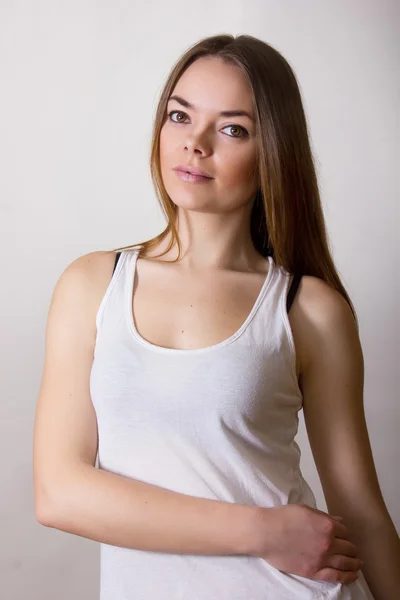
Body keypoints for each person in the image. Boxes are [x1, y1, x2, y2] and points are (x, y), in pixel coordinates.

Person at [33, 34, 400, 600]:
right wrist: (263, 531)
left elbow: (362, 512)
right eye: (180, 116)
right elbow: (59, 493)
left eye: (232, 129)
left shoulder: (309, 310)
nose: (194, 144)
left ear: (272, 151)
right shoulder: (91, 285)